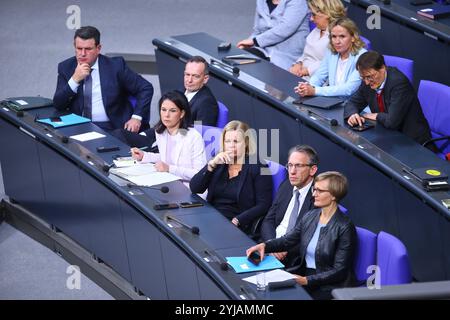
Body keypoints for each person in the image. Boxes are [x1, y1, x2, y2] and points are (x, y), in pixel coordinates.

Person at [246, 171, 356, 300]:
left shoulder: (345, 227)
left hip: (329, 285)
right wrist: (265, 245)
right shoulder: (310, 216)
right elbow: (288, 240)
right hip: (304, 274)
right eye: (314, 189)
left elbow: (339, 271)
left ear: (333, 195)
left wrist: (306, 280)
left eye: (320, 191)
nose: (314, 194)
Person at [53, 26, 153, 132]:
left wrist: (136, 118)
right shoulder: (66, 67)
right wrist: (74, 79)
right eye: (79, 48)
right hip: (79, 126)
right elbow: (58, 104)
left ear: (98, 48)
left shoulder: (115, 66)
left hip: (112, 127)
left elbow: (145, 88)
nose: (82, 53)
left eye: (88, 49)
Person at [189, 120, 272, 234]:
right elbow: (195, 188)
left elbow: (264, 204)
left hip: (236, 222)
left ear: (246, 143)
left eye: (236, 141)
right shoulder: (219, 161)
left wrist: (239, 219)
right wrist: (211, 165)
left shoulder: (260, 166)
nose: (231, 146)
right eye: (227, 141)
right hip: (210, 216)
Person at [119, 56, 218, 148]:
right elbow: (165, 121)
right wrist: (145, 134)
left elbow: (198, 135)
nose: (189, 80)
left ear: (205, 79)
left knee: (120, 139)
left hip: (173, 148)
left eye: (195, 76)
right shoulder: (182, 89)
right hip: (160, 137)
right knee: (119, 135)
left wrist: (166, 138)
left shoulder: (206, 103)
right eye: (187, 75)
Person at [344, 51, 436, 150]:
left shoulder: (399, 84)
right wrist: (352, 114)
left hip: (412, 143)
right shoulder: (368, 81)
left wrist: (377, 115)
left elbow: (392, 122)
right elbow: (352, 102)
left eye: (369, 77)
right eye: (363, 78)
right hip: (388, 137)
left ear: (383, 68)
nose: (366, 82)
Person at [260, 145, 318, 268]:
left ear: (312, 170)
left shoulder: (318, 197)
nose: (292, 171)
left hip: (292, 259)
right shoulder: (286, 185)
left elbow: (308, 238)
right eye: (290, 165)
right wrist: (272, 244)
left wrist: (281, 248)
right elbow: (268, 220)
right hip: (270, 246)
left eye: (298, 166)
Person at [130, 90, 206, 185]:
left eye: (172, 111)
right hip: (167, 182)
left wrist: (169, 169)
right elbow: (167, 157)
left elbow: (199, 174)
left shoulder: (193, 136)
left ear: (182, 114)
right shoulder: (161, 132)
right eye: (163, 110)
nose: (166, 115)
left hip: (187, 187)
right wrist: (144, 156)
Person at [294, 17, 366, 99]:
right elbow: (319, 76)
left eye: (342, 36)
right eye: (334, 37)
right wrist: (308, 86)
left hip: (353, 106)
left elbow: (348, 89)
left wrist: (315, 91)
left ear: (353, 37)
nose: (337, 41)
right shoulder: (331, 51)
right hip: (332, 101)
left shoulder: (362, 56)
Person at [237, 0, 310, 70]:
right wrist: (246, 46)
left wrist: (254, 41)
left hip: (284, 54)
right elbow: (256, 31)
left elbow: (285, 29)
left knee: (249, 68)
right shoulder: (261, 1)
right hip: (263, 50)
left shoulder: (299, 2)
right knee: (235, 62)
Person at [289, 0, 346, 79]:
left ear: (327, 14)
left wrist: (307, 71)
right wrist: (299, 63)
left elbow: (331, 63)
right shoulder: (317, 29)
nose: (311, 19)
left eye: (314, 15)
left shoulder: (339, 37)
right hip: (301, 76)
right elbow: (307, 53)